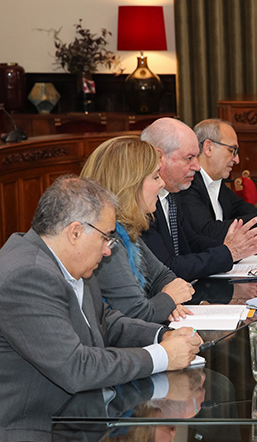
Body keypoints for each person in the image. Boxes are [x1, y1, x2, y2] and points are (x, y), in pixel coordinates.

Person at [0, 175, 203, 442]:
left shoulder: (67, 263)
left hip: (64, 416)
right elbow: (76, 368)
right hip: (11, 437)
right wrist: (161, 357)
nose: (109, 249)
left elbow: (105, 323)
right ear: (75, 231)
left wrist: (160, 336)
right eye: (106, 237)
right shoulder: (26, 276)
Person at [140, 118, 257, 282]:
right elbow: (168, 268)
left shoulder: (171, 194)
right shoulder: (142, 203)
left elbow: (191, 243)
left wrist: (236, 249)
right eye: (189, 158)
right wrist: (228, 253)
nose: (197, 166)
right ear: (159, 157)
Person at [83, 136, 195, 323]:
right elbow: (135, 313)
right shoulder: (106, 238)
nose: (162, 184)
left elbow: (163, 275)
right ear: (130, 184)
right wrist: (168, 299)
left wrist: (168, 301)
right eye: (156, 177)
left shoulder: (124, 229)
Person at [179, 118, 257, 242]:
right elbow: (207, 231)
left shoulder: (217, 181)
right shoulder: (188, 183)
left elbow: (239, 208)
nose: (236, 160)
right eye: (232, 151)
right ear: (208, 147)